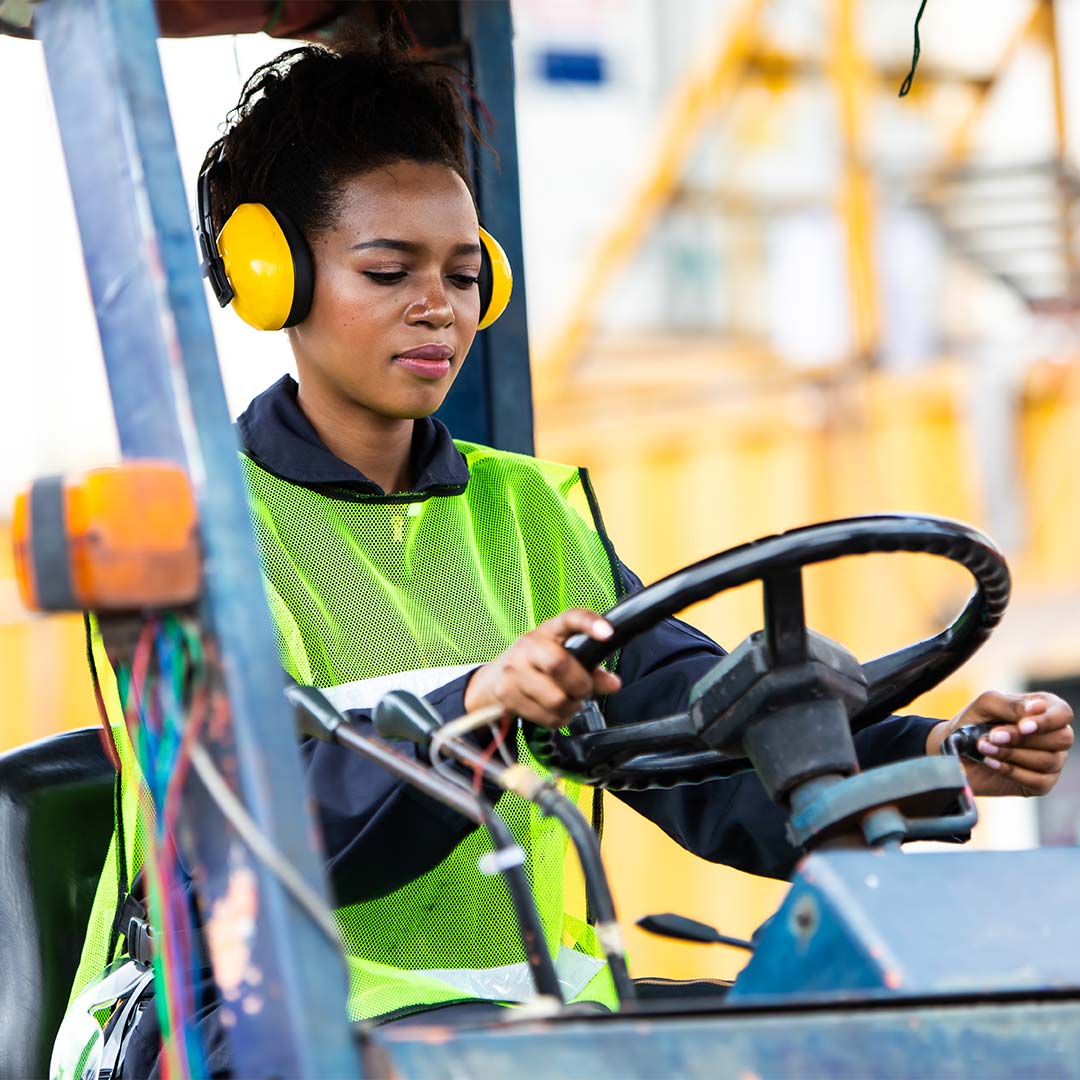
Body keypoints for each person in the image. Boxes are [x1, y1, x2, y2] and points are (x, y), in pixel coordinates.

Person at [67, 37, 1073, 1076]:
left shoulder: (529, 513)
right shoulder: (196, 535)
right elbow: (266, 834)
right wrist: (480, 706)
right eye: (389, 271)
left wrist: (937, 758)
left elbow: (693, 737)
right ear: (272, 276)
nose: (438, 308)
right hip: (260, 1028)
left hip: (535, 1031)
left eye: (464, 275)